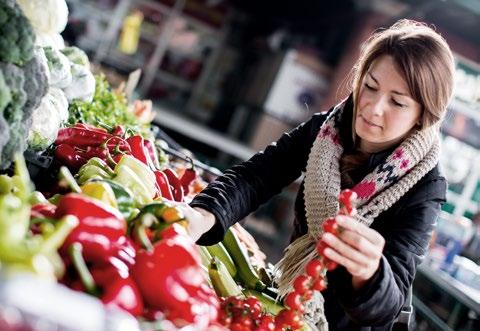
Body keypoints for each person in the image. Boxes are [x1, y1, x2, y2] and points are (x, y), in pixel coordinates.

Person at [177, 19, 455, 330]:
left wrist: (371, 272)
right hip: (289, 305)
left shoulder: (426, 184)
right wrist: (203, 215)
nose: (373, 108)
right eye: (370, 86)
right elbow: (256, 177)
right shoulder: (327, 131)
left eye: (397, 102)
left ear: (424, 116)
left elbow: (389, 305)